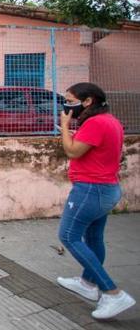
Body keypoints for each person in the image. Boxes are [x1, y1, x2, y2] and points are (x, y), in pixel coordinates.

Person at [57, 82, 136, 319]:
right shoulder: (109, 121)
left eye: (71, 100)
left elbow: (72, 151)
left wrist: (64, 126)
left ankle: (113, 293)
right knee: (93, 238)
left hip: (91, 190)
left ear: (88, 101)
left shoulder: (95, 123)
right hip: (105, 188)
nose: (67, 105)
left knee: (68, 235)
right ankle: (88, 283)